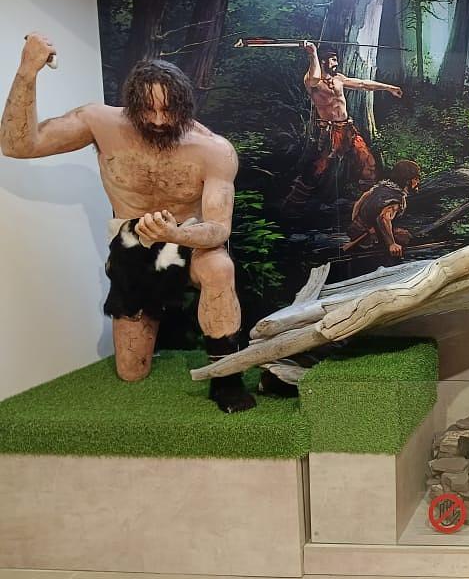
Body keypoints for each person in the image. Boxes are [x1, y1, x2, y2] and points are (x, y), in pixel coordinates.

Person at [0, 33, 255, 413]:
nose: (158, 120)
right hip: (133, 246)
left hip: (191, 240)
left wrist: (174, 233)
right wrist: (27, 71)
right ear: (132, 104)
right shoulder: (100, 122)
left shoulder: (213, 150)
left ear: (185, 106)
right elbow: (17, 146)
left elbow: (219, 229)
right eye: (148, 110)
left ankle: (227, 377)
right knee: (130, 373)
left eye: (168, 111)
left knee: (219, 266)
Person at [283, 42, 403, 206]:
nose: (336, 63)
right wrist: (312, 53)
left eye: (336, 59)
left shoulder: (339, 79)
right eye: (332, 60)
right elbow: (315, 77)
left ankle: (368, 204)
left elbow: (363, 84)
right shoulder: (312, 81)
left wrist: (389, 87)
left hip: (347, 129)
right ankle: (293, 205)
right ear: (323, 61)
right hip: (329, 132)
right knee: (317, 169)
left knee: (368, 163)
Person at [344, 159, 421, 256]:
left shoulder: (379, 187)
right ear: (407, 180)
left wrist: (355, 222)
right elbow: (383, 218)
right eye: (416, 178)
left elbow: (359, 202)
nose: (418, 181)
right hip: (366, 238)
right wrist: (391, 244)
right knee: (405, 237)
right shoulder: (396, 199)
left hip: (354, 231)